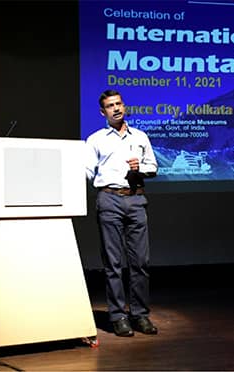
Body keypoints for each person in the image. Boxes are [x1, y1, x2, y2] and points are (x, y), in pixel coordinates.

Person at [84, 89, 159, 337]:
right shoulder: (95, 139)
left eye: (118, 104)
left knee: (140, 262)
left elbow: (153, 166)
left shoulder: (140, 136)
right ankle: (118, 316)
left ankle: (140, 315)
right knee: (113, 263)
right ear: (102, 112)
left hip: (136, 198)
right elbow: (86, 172)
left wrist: (141, 169)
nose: (115, 108)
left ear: (124, 106)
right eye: (109, 106)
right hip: (109, 199)